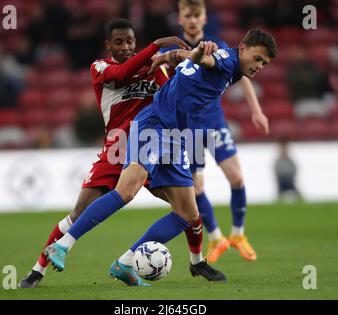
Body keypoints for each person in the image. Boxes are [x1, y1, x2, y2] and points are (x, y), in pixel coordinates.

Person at [45, 29, 277, 287]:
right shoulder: (226, 62)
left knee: (188, 214)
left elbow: (194, 63)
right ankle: (63, 244)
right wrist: (198, 52)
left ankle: (127, 261)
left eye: (264, 64)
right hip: (155, 125)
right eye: (257, 59)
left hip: (176, 136)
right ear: (243, 48)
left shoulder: (232, 66)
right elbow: (206, 60)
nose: (259, 67)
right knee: (127, 190)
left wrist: (175, 55)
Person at [19, 19, 223, 288]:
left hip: (153, 147)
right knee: (79, 212)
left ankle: (197, 262)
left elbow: (176, 92)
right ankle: (37, 270)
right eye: (119, 42)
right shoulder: (101, 67)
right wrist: (157, 47)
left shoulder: (155, 70)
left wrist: (178, 60)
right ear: (108, 45)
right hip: (117, 149)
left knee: (188, 210)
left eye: (129, 41)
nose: (125, 46)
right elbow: (122, 74)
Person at [159, 0, 268, 263]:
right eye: (189, 15)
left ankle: (238, 234)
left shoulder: (216, 45)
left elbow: (243, 77)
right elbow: (165, 79)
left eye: (198, 15)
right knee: (197, 187)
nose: (194, 20)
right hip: (190, 127)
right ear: (181, 19)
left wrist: (256, 110)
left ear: (205, 18)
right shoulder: (174, 49)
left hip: (215, 121)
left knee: (237, 178)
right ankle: (216, 237)